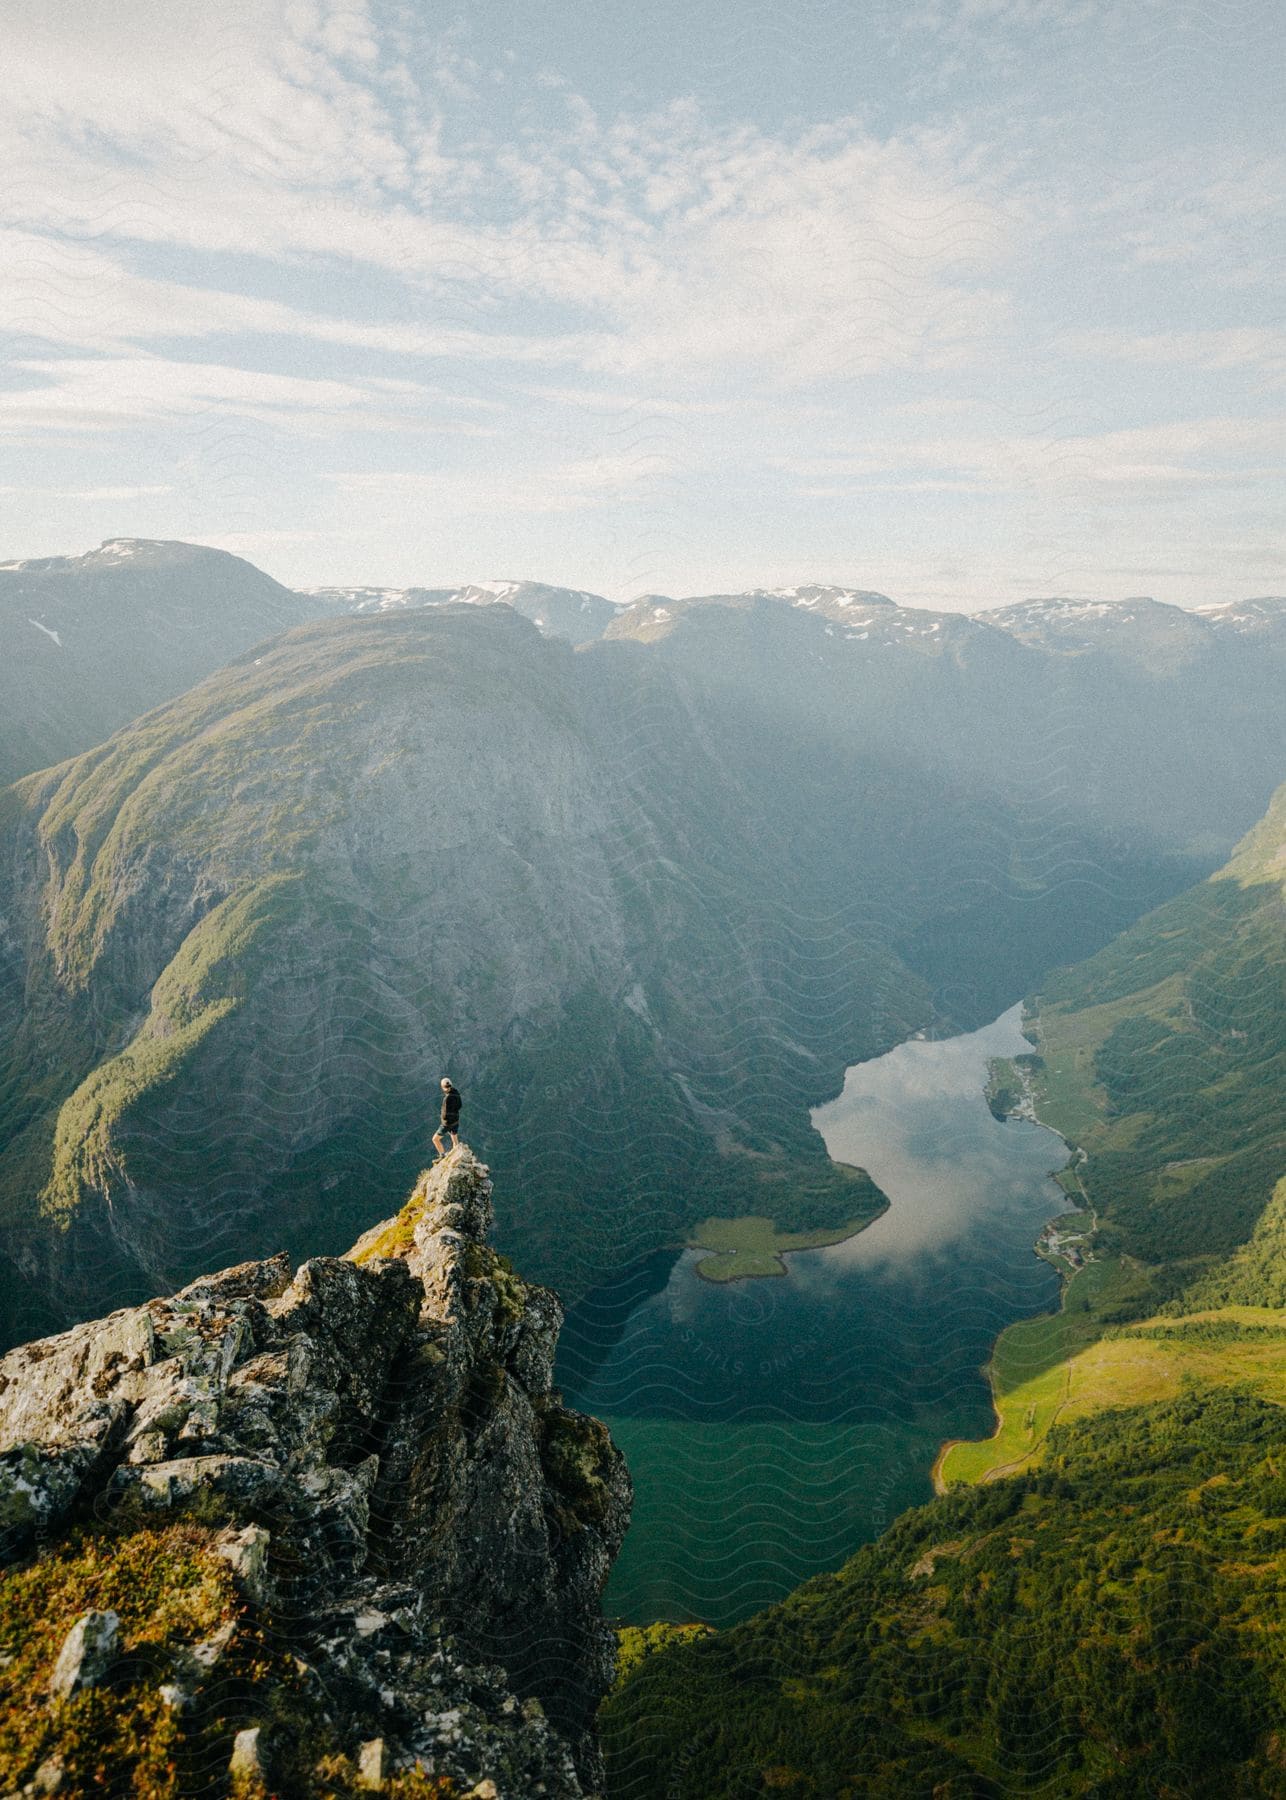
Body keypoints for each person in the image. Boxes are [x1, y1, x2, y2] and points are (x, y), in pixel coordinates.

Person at [433, 1077, 462, 1158]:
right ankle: (457, 1157)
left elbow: (444, 1114)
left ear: (443, 1087)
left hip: (447, 1124)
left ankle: (442, 1155)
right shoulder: (456, 1092)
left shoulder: (447, 1098)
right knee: (455, 1141)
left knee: (435, 1139)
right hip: (456, 1121)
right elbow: (460, 1105)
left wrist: (443, 1119)